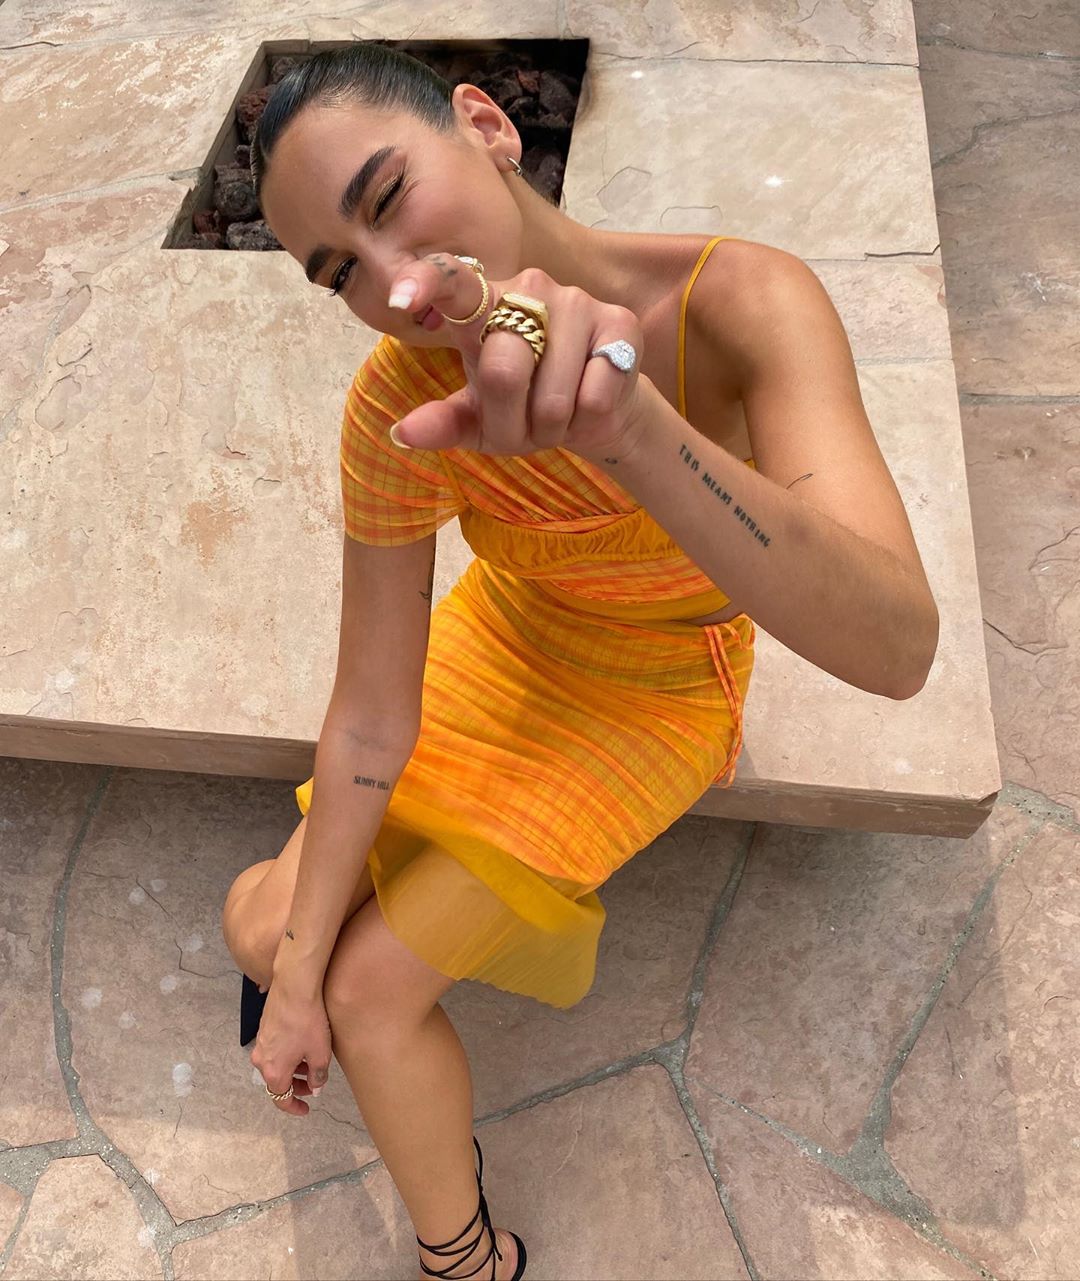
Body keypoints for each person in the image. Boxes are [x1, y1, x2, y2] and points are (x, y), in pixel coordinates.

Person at [220, 43, 939, 1281]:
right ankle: (294, 937)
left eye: (390, 199)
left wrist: (633, 431)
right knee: (264, 937)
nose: (399, 286)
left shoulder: (738, 303)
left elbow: (898, 647)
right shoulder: (400, 404)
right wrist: (289, 975)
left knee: (368, 997)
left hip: (657, 684)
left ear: (487, 126)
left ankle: (464, 1259)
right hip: (511, 637)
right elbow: (371, 713)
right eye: (340, 272)